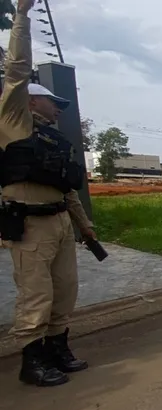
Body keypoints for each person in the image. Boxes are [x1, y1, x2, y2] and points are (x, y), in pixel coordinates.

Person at [0, 0, 96, 387]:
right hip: (30, 225)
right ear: (31, 100)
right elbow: (17, 70)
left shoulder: (52, 140)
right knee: (36, 294)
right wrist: (22, 16)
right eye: (53, 102)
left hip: (59, 223)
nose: (58, 109)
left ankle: (58, 348)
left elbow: (67, 190)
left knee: (64, 291)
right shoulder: (14, 123)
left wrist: (84, 227)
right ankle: (32, 360)